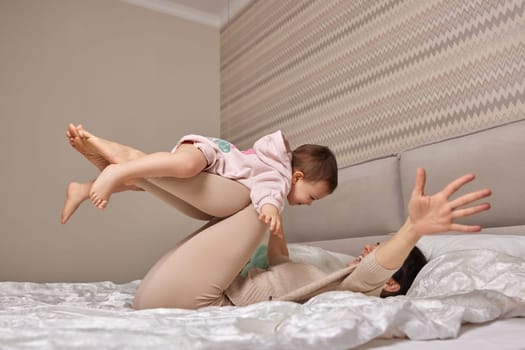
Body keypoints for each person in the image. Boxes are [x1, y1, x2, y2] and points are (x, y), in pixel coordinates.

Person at [63, 124, 491, 310]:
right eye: (373, 246)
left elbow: (371, 274)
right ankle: (128, 167)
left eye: (376, 251)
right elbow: (282, 269)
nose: (367, 250)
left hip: (199, 300)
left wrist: (412, 229)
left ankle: (129, 163)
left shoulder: (360, 292)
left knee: (255, 197)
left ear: (393, 282)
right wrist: (276, 230)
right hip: (174, 291)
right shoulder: (325, 272)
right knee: (252, 199)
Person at [67, 127, 338, 238]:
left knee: (150, 182)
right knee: (182, 167)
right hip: (210, 155)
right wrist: (269, 209)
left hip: (212, 161)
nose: (309, 204)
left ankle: (83, 189)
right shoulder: (279, 175)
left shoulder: (274, 167)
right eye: (312, 197)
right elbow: (269, 192)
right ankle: (116, 171)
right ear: (297, 177)